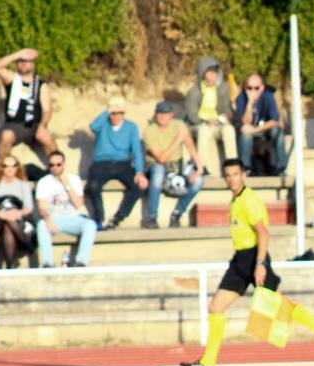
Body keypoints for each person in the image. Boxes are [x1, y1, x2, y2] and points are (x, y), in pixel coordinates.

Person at [181, 159, 314, 366]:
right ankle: (208, 363)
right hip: (240, 260)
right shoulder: (235, 199)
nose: (231, 179)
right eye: (227, 175)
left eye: (235, 174)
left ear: (243, 175)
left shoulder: (249, 200)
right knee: (216, 307)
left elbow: (263, 233)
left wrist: (260, 264)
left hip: (254, 257)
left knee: (280, 307)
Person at [85, 96, 147, 230]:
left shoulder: (131, 127)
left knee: (139, 186)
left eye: (118, 113)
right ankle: (98, 218)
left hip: (122, 164)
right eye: (113, 113)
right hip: (101, 163)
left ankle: (119, 216)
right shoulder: (103, 123)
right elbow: (93, 126)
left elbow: (136, 150)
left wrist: (139, 171)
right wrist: (107, 111)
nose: (115, 116)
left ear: (123, 114)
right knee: (93, 185)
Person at [142, 101, 204, 229]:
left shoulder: (179, 125)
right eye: (160, 113)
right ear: (155, 115)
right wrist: (178, 140)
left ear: (171, 115)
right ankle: (152, 216)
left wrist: (199, 169)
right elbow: (161, 158)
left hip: (177, 166)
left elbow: (191, 147)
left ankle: (177, 213)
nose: (162, 117)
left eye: (166, 113)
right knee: (158, 172)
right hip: (156, 166)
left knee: (198, 180)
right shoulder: (150, 130)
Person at [0, 48, 56, 166]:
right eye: (20, 61)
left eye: (27, 61)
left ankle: (58, 166)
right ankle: (2, 169)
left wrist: (42, 126)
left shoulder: (41, 85)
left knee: (45, 136)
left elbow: (47, 111)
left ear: (33, 65)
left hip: (34, 125)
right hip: (14, 125)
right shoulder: (12, 79)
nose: (23, 64)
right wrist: (18, 54)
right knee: (6, 135)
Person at [34, 151, 97, 268]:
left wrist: (67, 184)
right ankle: (48, 262)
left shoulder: (74, 179)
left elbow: (78, 204)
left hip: (74, 218)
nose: (55, 168)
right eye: (52, 165)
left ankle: (81, 262)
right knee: (41, 225)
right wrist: (47, 219)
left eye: (58, 164)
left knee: (90, 225)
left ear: (64, 164)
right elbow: (41, 207)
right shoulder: (44, 182)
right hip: (54, 219)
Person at [183, 55, 237, 171]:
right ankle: (202, 166)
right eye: (210, 72)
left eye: (215, 72)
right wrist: (206, 121)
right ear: (203, 72)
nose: (213, 75)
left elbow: (226, 109)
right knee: (204, 130)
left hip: (218, 124)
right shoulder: (194, 91)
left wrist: (228, 114)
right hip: (199, 125)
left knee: (229, 130)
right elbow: (192, 116)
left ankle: (232, 165)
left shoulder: (221, 90)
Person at [0, 155, 34, 269]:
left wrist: (17, 213)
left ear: (18, 168)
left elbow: (28, 207)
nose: (10, 169)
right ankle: (27, 245)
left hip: (17, 218)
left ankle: (9, 265)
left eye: (13, 166)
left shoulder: (23, 184)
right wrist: (3, 215)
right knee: (7, 222)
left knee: (8, 227)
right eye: (6, 166)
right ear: (1, 168)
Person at [234, 74, 285, 175]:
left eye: (256, 88)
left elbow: (274, 120)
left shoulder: (268, 96)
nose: (253, 91)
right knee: (246, 134)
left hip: (265, 128)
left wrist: (256, 129)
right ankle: (246, 168)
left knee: (277, 132)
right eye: (249, 88)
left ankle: (281, 167)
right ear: (245, 87)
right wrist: (249, 103)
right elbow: (245, 122)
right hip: (250, 129)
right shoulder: (242, 97)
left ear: (262, 87)